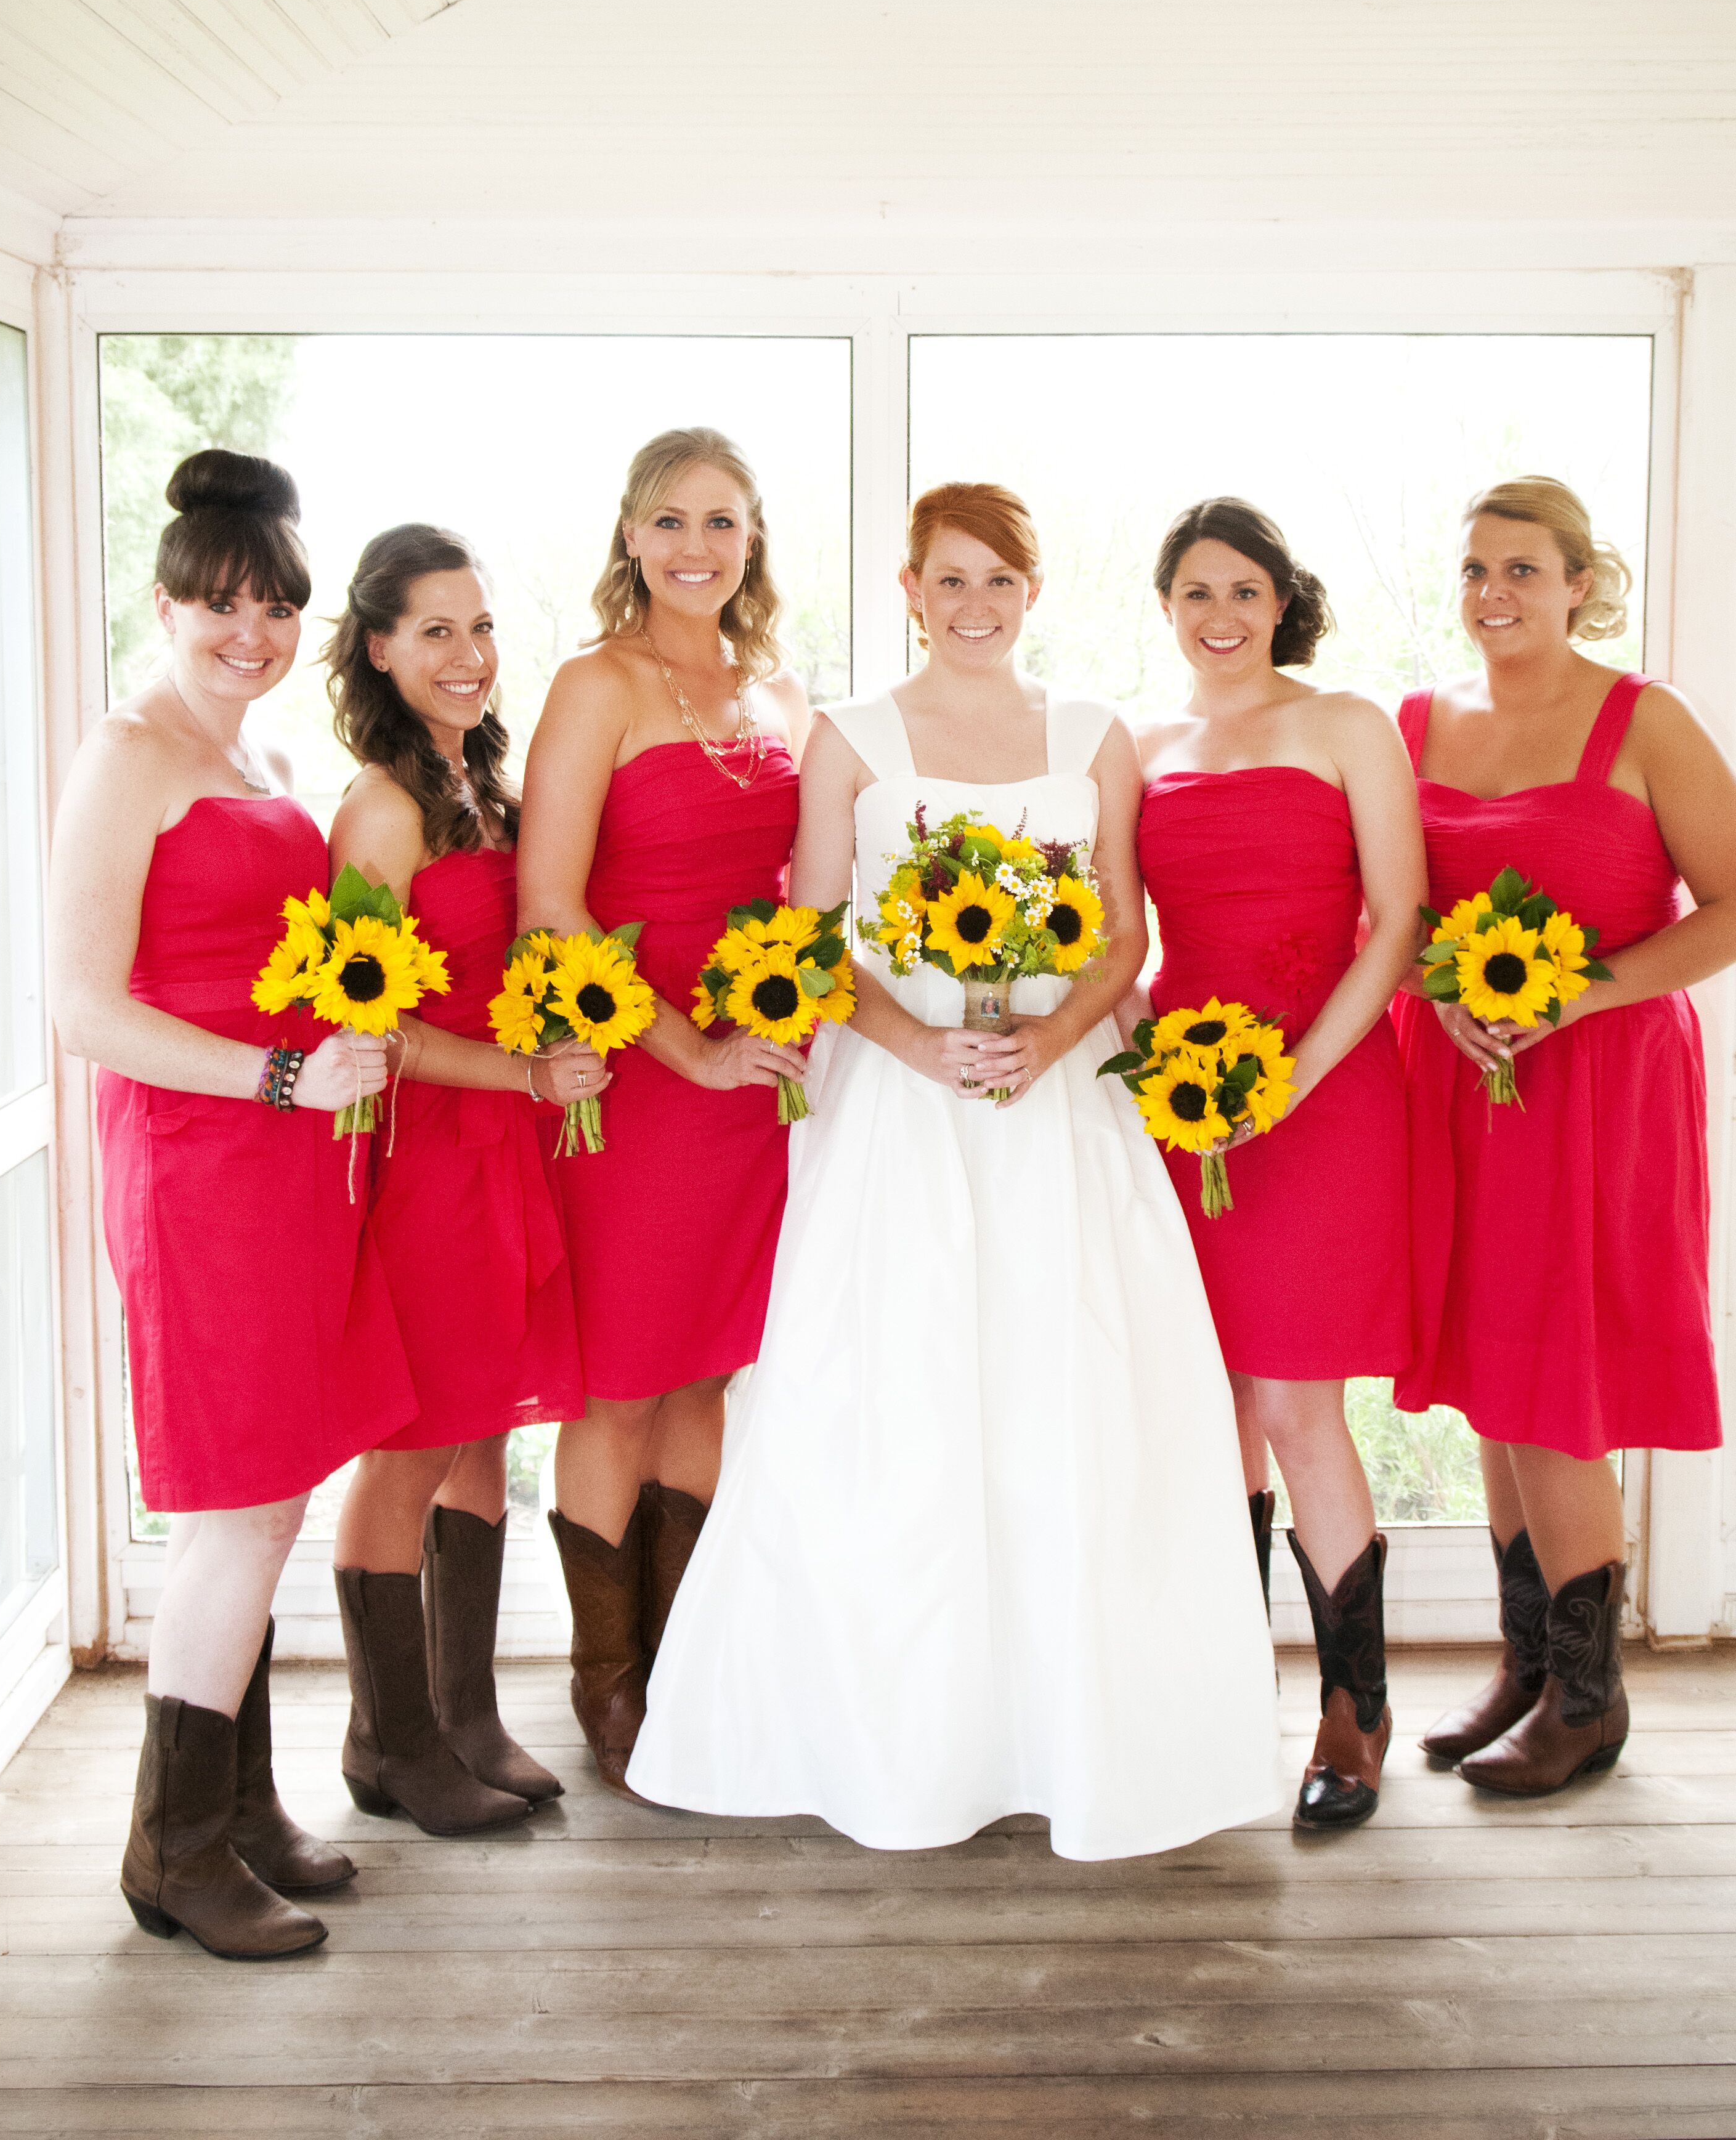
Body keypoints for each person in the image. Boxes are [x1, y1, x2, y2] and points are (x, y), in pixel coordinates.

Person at [626, 481, 1281, 1860]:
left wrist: (1045, 1034)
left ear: (1030, 592)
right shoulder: (848, 738)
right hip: (897, 1105)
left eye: (999, 580)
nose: (972, 603)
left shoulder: (1091, 734)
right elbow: (813, 932)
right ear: (910, 591)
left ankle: (1067, 1730)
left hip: (1055, 1105)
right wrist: (917, 1042)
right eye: (948, 580)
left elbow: (1119, 934)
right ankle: (900, 1735)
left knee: (1067, 1390)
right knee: (897, 1395)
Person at [48, 450, 415, 1960]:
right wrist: (279, 1079)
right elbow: (78, 1007)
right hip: (204, 1162)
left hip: (286, 1165)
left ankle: (242, 1804)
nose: (248, 632)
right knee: (238, 1502)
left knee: (266, 1494)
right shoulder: (130, 751)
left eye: (274, 605)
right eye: (219, 604)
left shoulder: (263, 763)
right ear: (167, 602)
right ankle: (173, 1846)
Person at [1397, 476, 1732, 1794]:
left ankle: (1591, 1701)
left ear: (1579, 579)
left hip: (1598, 1084)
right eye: (1475, 566)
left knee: (1555, 1376)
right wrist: (1444, 990)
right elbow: (1399, 905)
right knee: (1492, 1368)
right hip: (1465, 1078)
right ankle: (1528, 1660)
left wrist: (1580, 991)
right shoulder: (1417, 719)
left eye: (1522, 568)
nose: (1494, 591)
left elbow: (1728, 904)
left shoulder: (1644, 718)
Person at [516, 429, 811, 1796]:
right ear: (629, 535)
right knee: (624, 1378)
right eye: (671, 520)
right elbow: (551, 903)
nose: (697, 545)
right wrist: (685, 1046)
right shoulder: (595, 684)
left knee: (709, 1369)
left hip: (762, 1087)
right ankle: (606, 1679)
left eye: (724, 522)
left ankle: (685, 1661)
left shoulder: (778, 691)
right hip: (643, 1079)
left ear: (753, 540)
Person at [1136, 498, 1422, 1829]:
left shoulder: (1346, 723)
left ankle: (1351, 1713)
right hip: (1179, 1113)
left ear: (1280, 598)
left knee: (1299, 1404)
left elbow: (1400, 918)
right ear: (1166, 605)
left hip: (1324, 1092)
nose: (1219, 613)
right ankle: (1208, 1700)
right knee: (1204, 1413)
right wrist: (1159, 1068)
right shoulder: (1135, 747)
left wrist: (1292, 1076)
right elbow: (1110, 945)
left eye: (1242, 588)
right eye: (1195, 590)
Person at [323, 524, 606, 1834]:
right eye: (435, 630)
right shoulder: (380, 809)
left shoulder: (482, 790)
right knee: (414, 1440)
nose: (467, 655)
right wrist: (522, 1076)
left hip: (511, 1151)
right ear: (378, 647)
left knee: (487, 1423)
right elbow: (364, 1026)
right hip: (433, 1151)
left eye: (480, 626)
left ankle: (468, 1709)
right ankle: (387, 1741)